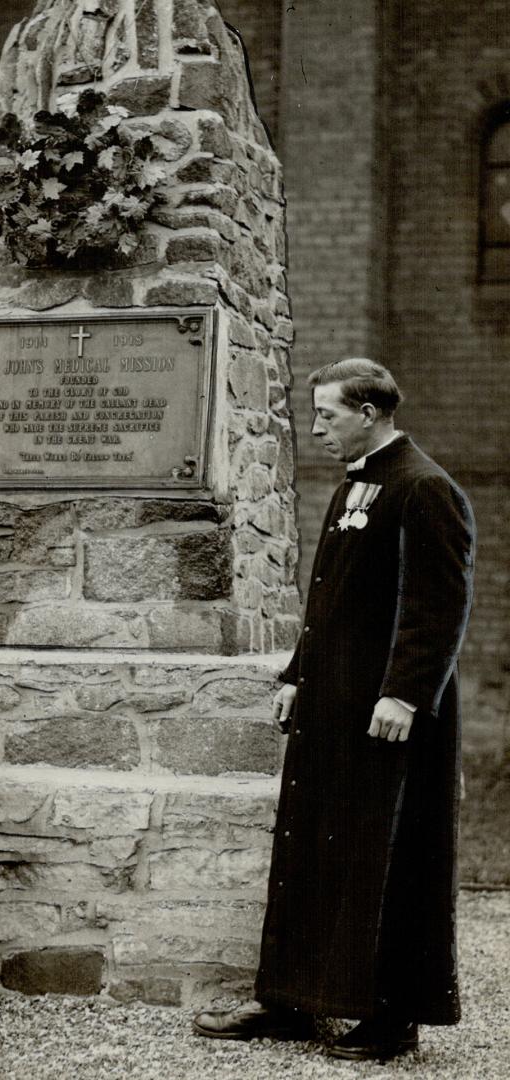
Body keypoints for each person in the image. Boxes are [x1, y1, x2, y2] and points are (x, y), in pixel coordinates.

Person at [193, 359, 475, 1061]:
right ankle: (294, 1001)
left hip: (389, 714)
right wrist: (299, 675)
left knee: (387, 858)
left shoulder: (424, 488)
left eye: (329, 415)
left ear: (371, 412)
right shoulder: (360, 483)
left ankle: (392, 1017)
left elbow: (437, 607)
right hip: (332, 707)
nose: (316, 427)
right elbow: (333, 601)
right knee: (313, 851)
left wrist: (405, 692)